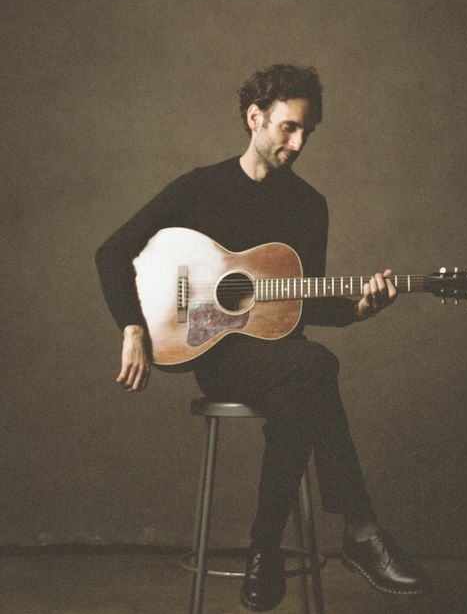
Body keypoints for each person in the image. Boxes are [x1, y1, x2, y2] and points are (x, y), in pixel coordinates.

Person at [95, 64, 426, 611]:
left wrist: (361, 309)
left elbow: (303, 308)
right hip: (214, 352)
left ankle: (266, 549)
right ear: (255, 118)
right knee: (313, 370)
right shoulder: (198, 188)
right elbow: (112, 252)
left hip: (281, 361)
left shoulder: (309, 206)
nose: (297, 143)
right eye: (287, 128)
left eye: (306, 132)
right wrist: (131, 326)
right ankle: (359, 529)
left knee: (305, 381)